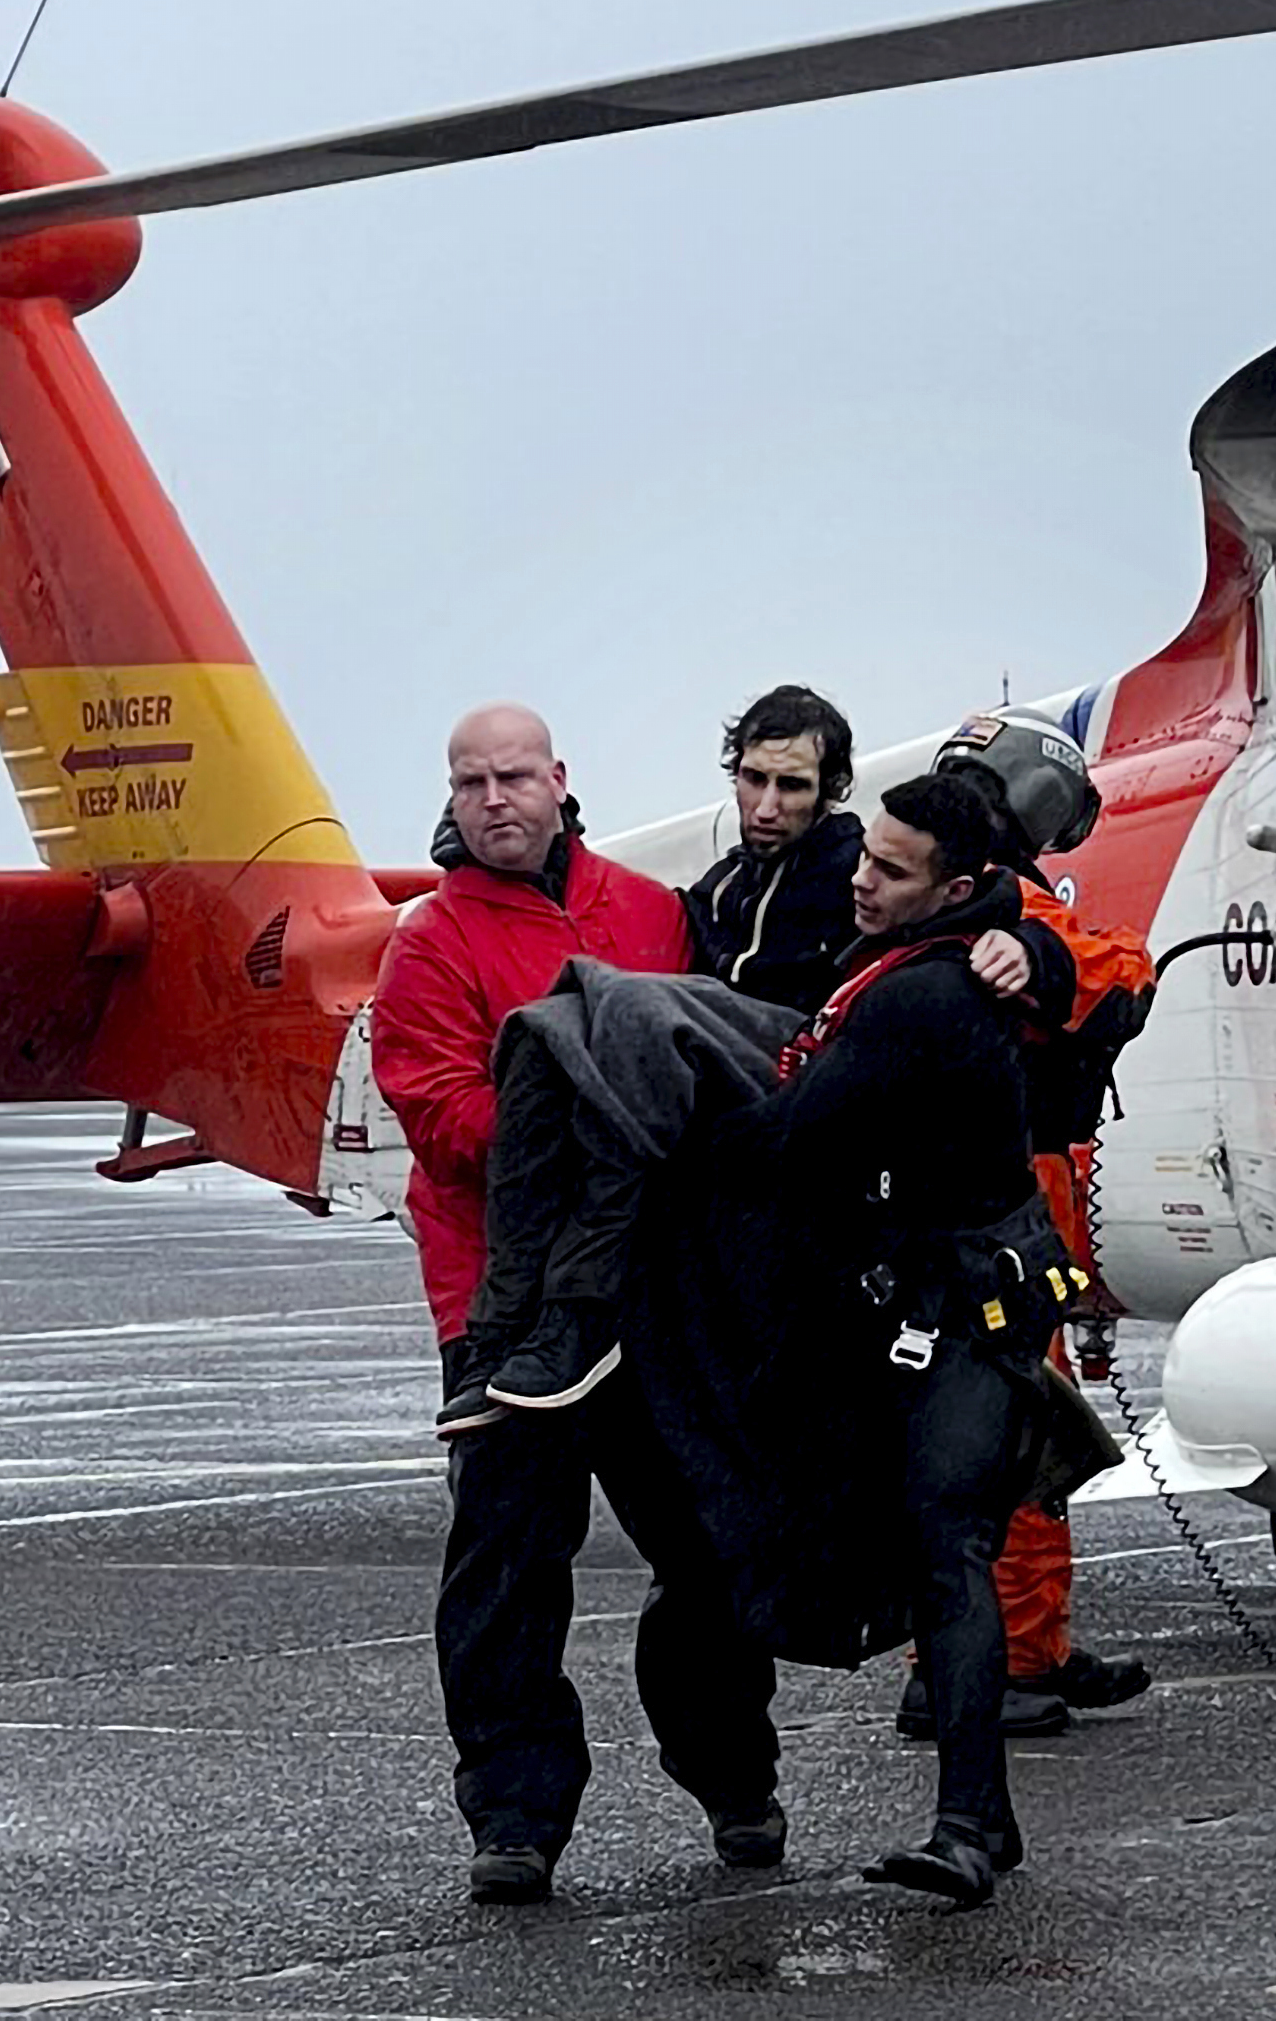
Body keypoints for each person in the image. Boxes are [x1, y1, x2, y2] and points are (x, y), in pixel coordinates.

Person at [368, 701, 780, 1904]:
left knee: (708, 1547)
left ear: (558, 781)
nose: (491, 800)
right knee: (506, 1561)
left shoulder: (650, 913)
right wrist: (603, 1115)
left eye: (511, 777)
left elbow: (725, 1059)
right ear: (449, 800)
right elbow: (444, 1123)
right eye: (468, 783)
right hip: (500, 1308)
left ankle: (733, 1776)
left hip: (653, 1297)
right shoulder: (429, 944)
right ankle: (515, 1812)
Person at [736, 770, 1078, 1906]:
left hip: (964, 1306)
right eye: (864, 856)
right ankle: (979, 1818)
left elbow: (790, 1139)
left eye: (889, 869)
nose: (860, 879)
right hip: (953, 1293)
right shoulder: (919, 966)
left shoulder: (921, 998)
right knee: (942, 1548)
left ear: (961, 887)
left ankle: (972, 1828)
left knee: (947, 1549)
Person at [905, 706, 1156, 1740]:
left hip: (1005, 1191)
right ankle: (974, 1666)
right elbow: (1120, 977)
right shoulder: (1002, 914)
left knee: (1031, 1423)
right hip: (1005, 1195)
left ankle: (1028, 1646)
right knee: (999, 1430)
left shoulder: (973, 910)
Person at [684, 684, 865, 1011]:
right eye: (754, 778)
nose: (766, 809)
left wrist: (992, 935)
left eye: (791, 785)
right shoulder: (717, 889)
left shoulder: (862, 877)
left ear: (829, 790)